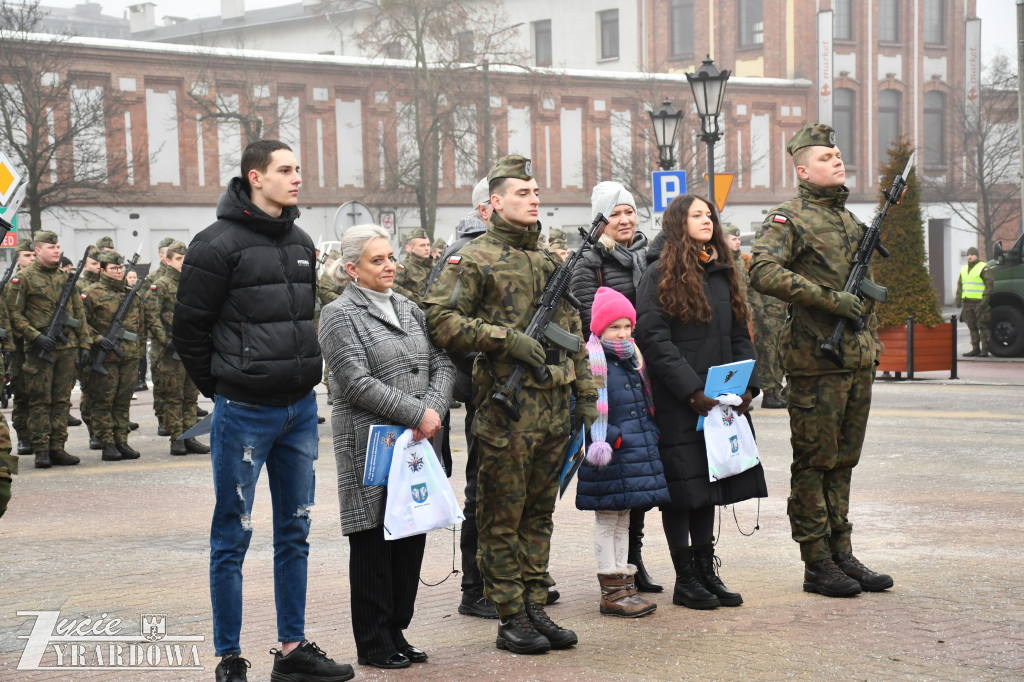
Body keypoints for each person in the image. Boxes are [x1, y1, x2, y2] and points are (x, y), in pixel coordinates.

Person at [172, 139, 353, 682]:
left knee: (294, 530)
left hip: (299, 411)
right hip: (244, 411)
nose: (297, 178)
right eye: (285, 170)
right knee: (233, 533)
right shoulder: (215, 245)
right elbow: (188, 331)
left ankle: (292, 650)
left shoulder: (300, 242)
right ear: (255, 177)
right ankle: (229, 656)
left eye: (298, 168)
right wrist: (227, 386)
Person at [424, 155, 598, 655]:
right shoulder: (474, 258)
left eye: (536, 191)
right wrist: (504, 339)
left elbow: (575, 336)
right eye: (523, 192)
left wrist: (585, 395)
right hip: (506, 410)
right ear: (495, 203)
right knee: (502, 516)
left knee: (540, 514)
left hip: (554, 408)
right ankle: (508, 614)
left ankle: (534, 604)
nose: (534, 199)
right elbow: (438, 319)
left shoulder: (548, 261)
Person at [749, 123, 893, 598]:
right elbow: (764, 271)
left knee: (844, 461)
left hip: (855, 358)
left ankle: (841, 551)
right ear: (803, 169)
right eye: (827, 157)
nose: (838, 160)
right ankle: (816, 561)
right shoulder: (787, 219)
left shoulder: (851, 222)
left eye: (839, 154)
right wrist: (830, 300)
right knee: (814, 460)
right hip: (815, 359)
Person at [318, 224, 454, 670]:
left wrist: (431, 411)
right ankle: (374, 641)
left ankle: (397, 630)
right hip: (370, 445)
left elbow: (442, 361)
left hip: (415, 444)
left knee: (409, 534)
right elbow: (354, 382)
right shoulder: (339, 314)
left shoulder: (408, 308)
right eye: (378, 260)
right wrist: (417, 415)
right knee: (374, 539)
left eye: (391, 257)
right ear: (352, 269)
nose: (390, 266)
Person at [636, 194, 766, 611]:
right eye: (697, 215)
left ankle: (706, 570)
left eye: (709, 214)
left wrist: (747, 386)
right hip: (682, 401)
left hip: (722, 400)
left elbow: (740, 334)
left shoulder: (723, 272)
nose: (706, 220)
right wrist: (692, 391)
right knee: (682, 488)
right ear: (678, 223)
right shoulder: (657, 274)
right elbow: (655, 340)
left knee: (708, 486)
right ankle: (685, 578)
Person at [570, 181, 660, 592]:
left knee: (639, 478)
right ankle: (622, 570)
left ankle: (633, 560)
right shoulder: (589, 261)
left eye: (629, 211)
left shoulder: (647, 253)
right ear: (601, 220)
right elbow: (593, 318)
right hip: (610, 370)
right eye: (615, 214)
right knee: (620, 480)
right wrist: (625, 347)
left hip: (644, 369)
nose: (624, 220)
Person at [576, 286, 669, 618]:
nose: (623, 333)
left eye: (627, 326)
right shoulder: (592, 359)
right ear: (599, 328)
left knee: (624, 518)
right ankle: (611, 591)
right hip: (610, 452)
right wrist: (611, 437)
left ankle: (625, 583)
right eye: (615, 327)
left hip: (633, 452)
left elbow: (643, 404)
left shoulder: (633, 357)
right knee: (607, 519)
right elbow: (583, 405)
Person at [5, 231, 92, 469]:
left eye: (58, 247)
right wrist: (36, 336)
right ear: (37, 251)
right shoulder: (23, 278)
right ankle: (41, 450)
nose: (56, 250)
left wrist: (85, 344)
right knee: (40, 401)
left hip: (66, 348)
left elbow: (78, 314)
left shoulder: (66, 279)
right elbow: (13, 313)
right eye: (51, 247)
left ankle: (57, 447)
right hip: (38, 349)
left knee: (62, 401)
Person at [82, 250, 143, 462]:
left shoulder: (131, 294)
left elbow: (139, 327)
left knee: (123, 401)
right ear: (102, 270)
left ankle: (121, 441)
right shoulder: (91, 293)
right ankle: (107, 443)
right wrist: (98, 339)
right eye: (113, 268)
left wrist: (139, 352)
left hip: (129, 356)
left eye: (120, 268)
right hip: (104, 357)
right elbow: (81, 325)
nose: (119, 271)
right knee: (103, 402)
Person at [153, 241, 208, 457]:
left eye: (185, 259)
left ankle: (189, 437)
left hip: (191, 350)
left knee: (190, 397)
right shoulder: (161, 285)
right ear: (167, 260)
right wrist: (168, 341)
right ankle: (177, 439)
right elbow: (152, 317)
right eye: (178, 259)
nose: (183, 263)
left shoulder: (193, 283)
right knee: (173, 397)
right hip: (170, 352)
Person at [145, 238, 175, 427]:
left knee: (180, 387)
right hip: (161, 341)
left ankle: (180, 421)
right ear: (161, 256)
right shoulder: (154, 279)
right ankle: (163, 418)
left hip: (180, 341)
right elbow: (149, 310)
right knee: (162, 382)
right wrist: (163, 338)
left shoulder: (184, 277)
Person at [11, 238, 36, 457]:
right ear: (18, 261)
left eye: (33, 255)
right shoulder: (14, 285)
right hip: (20, 347)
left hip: (38, 345)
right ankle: (24, 436)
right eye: (27, 256)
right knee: (22, 392)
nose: (32, 258)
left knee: (40, 394)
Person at [956, 246, 993, 357]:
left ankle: (985, 350)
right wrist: (958, 298)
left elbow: (989, 284)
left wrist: (985, 299)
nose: (969, 257)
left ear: (976, 255)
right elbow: (960, 285)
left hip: (979, 302)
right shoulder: (964, 269)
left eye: (971, 254)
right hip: (968, 303)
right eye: (968, 255)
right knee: (972, 327)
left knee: (982, 326)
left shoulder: (983, 267)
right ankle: (975, 348)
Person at [392, 228, 433, 304]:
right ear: (409, 248)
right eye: (422, 245)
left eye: (428, 245)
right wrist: (412, 297)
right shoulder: (403, 268)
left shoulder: (435, 267)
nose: (427, 248)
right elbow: (391, 285)